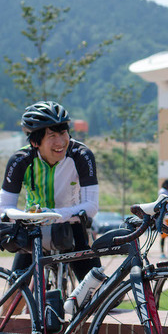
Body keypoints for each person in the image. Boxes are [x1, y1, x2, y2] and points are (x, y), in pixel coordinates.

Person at [0, 101, 101, 280]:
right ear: (34, 141)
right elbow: (4, 206)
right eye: (52, 135)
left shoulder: (82, 155)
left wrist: (55, 214)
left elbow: (91, 206)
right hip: (33, 228)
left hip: (73, 225)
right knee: (14, 299)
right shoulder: (20, 160)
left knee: (99, 296)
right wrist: (29, 217)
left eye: (63, 133)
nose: (60, 142)